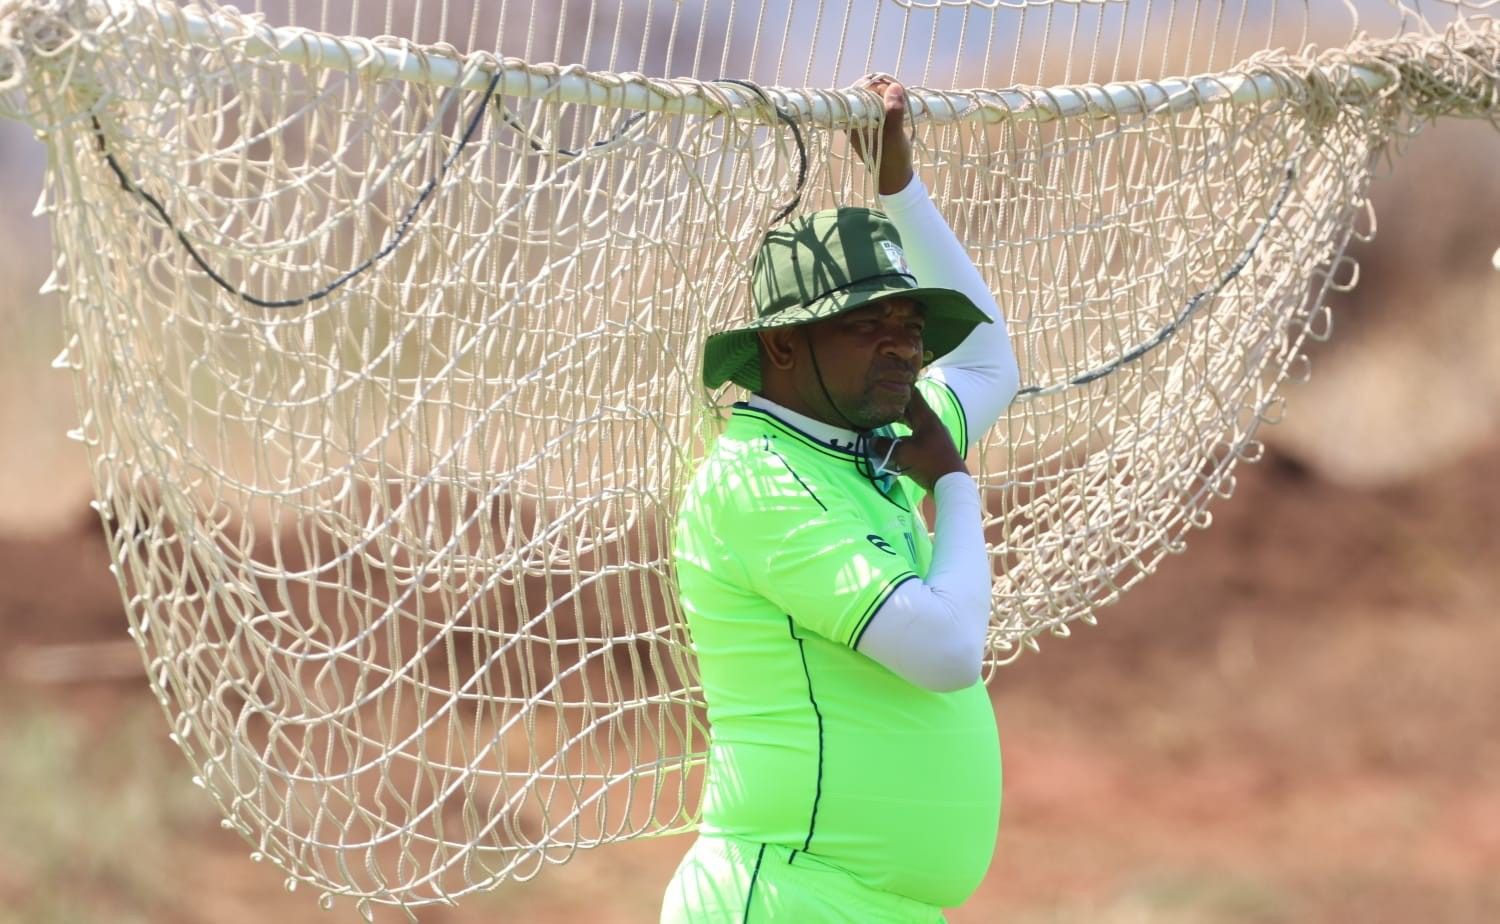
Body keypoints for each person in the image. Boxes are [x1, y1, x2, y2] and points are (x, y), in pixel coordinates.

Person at [663, 77, 1021, 923]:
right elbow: (946, 651)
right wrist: (953, 484)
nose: (903, 351)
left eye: (911, 328)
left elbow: (989, 365)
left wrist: (899, 187)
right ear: (783, 345)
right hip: (785, 895)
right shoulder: (757, 480)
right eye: (868, 327)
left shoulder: (877, 438)